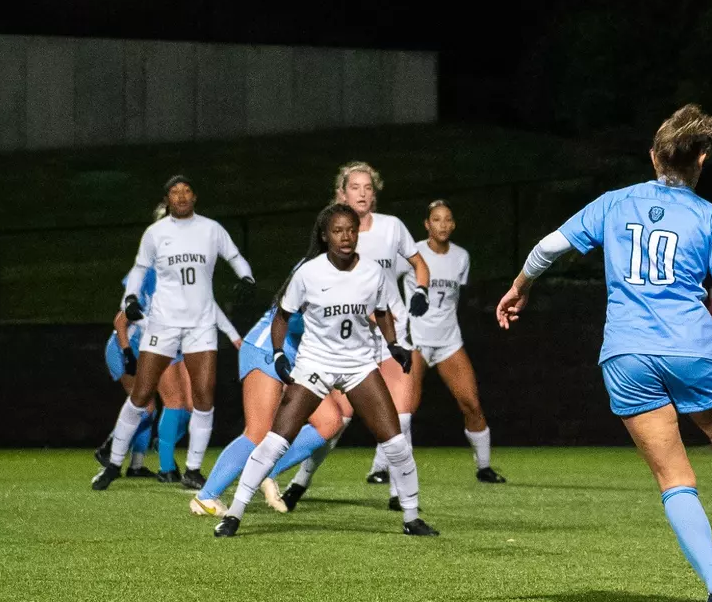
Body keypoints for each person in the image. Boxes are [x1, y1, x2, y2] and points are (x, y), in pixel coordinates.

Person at [497, 104, 712, 602]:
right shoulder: (711, 218)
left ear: (653, 157)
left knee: (674, 477)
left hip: (626, 356)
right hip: (694, 351)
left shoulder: (613, 204)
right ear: (702, 159)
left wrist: (520, 288)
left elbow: (545, 249)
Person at [213, 203, 438, 537]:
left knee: (395, 443)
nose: (345, 236)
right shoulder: (308, 272)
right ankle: (233, 514)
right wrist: (278, 354)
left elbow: (381, 310)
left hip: (359, 366)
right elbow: (282, 315)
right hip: (315, 365)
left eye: (350, 229)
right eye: (337, 230)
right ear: (324, 235)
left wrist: (393, 345)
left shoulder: (373, 272)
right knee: (275, 440)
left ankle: (411, 517)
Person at [92, 176, 253, 491]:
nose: (181, 196)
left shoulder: (211, 229)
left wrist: (245, 277)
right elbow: (138, 270)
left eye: (186, 191)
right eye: (174, 192)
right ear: (167, 199)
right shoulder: (155, 234)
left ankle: (192, 469)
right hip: (162, 325)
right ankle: (113, 464)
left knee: (203, 398)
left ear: (195, 196)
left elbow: (233, 256)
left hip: (200, 325)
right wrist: (130, 300)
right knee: (141, 396)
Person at [286, 163, 429, 510]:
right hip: (348, 343)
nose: (363, 193)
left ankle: (400, 497)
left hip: (391, 331)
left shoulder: (392, 227)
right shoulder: (335, 233)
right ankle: (297, 483)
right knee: (339, 420)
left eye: (368, 187)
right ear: (342, 194)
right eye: (355, 187)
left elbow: (419, 264)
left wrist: (421, 291)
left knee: (402, 415)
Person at [187, 299, 350, 517]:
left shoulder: (351, 278)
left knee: (330, 421)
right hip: (269, 347)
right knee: (258, 431)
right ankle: (206, 497)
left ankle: (265, 472)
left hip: (299, 356)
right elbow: (290, 318)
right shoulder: (316, 271)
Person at [394, 200, 505, 484]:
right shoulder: (412, 253)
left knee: (471, 403)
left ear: (453, 224)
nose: (442, 225)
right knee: (405, 409)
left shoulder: (461, 257)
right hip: (416, 340)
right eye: (436, 220)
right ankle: (383, 468)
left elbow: (456, 297)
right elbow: (384, 282)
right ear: (427, 224)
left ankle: (484, 466)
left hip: (448, 341)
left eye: (447, 220)